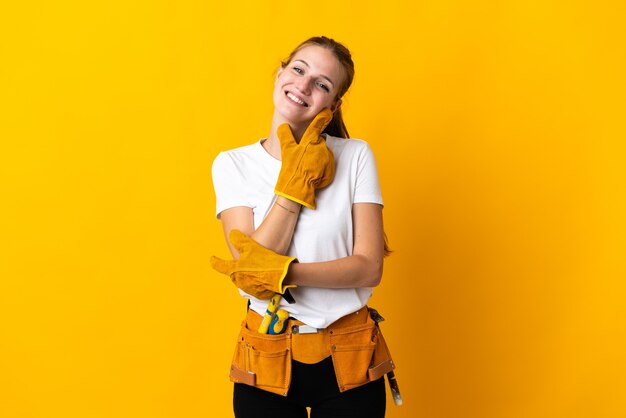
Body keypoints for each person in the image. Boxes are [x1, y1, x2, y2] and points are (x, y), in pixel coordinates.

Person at [211, 36, 396, 418]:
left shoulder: (355, 155)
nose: (304, 85)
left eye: (322, 84)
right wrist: (295, 185)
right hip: (266, 356)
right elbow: (250, 267)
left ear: (333, 104)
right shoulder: (232, 164)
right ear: (280, 72)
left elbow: (368, 267)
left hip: (350, 355)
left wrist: (283, 273)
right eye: (298, 69)